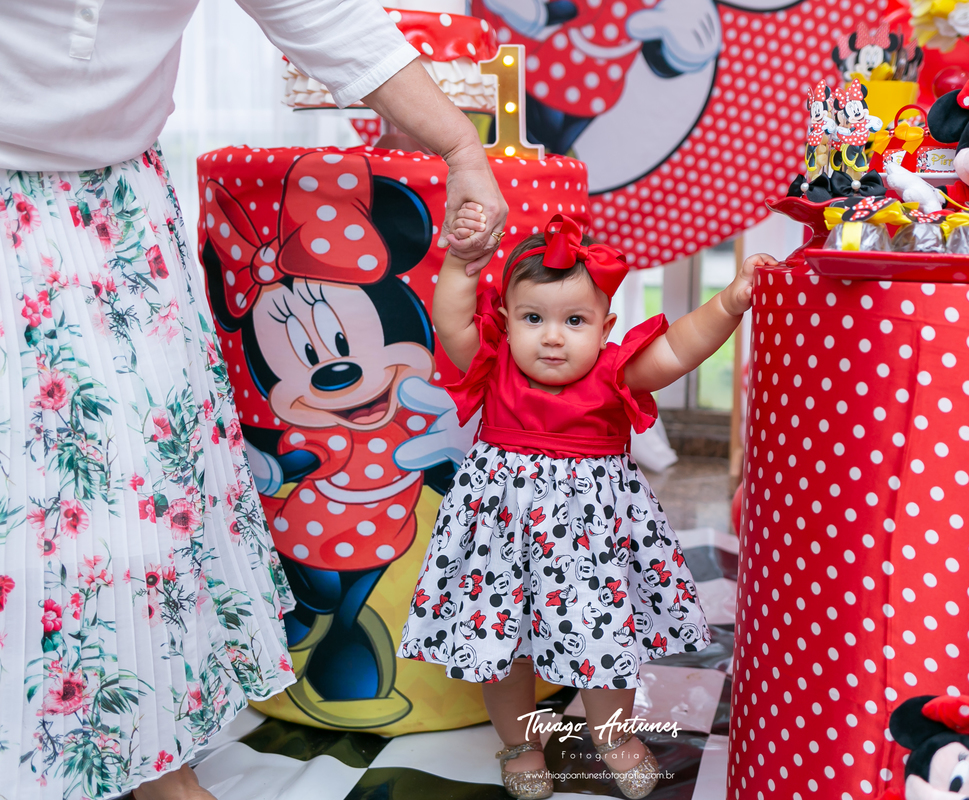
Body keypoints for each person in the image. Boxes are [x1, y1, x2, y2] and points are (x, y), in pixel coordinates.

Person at [0, 3, 508, 799]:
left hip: (112, 204)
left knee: (142, 500)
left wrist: (460, 145)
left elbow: (318, 11)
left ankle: (148, 756)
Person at [399, 205, 775, 799]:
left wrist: (730, 301)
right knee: (504, 645)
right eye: (533, 318)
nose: (552, 336)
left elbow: (678, 349)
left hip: (590, 541)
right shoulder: (493, 364)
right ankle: (520, 744)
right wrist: (462, 259)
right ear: (506, 317)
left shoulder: (614, 373)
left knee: (603, 641)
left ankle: (615, 737)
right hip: (502, 539)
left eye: (575, 320)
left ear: (605, 327)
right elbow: (448, 317)